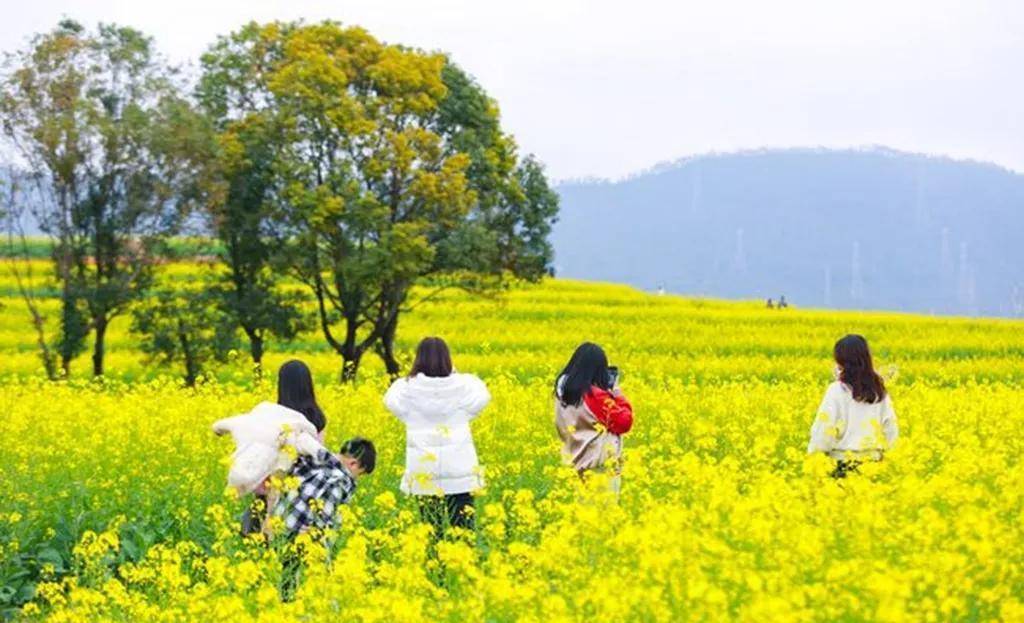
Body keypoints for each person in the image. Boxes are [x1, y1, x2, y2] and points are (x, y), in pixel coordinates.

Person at [384, 337, 490, 537]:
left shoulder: (407, 389)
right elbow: (482, 394)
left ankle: (435, 567)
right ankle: (464, 567)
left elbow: (390, 399)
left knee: (431, 531)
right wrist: (454, 372)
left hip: (425, 472)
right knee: (464, 531)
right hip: (459, 471)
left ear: (418, 360)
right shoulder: (463, 386)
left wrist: (411, 376)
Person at [213, 359, 328, 535]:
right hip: (301, 501)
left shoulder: (269, 416)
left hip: (267, 495)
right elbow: (317, 461)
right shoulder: (318, 419)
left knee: (257, 544)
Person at [807, 334, 899, 478]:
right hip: (873, 466)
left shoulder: (836, 390)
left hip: (842, 465)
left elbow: (824, 429)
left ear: (841, 361)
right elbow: (891, 430)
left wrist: (814, 455)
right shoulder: (879, 391)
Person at [554, 342, 634, 493]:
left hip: (574, 465)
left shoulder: (562, 393)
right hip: (599, 469)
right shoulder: (594, 395)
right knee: (603, 514)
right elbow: (625, 422)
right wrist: (616, 392)